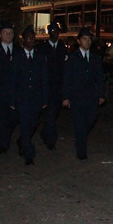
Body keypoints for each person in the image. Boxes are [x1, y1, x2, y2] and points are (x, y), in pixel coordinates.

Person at [62, 27, 105, 160]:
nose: (87, 42)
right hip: (76, 96)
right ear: (79, 41)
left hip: (91, 96)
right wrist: (66, 97)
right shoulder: (72, 57)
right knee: (79, 123)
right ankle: (81, 150)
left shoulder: (95, 58)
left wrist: (102, 94)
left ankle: (81, 137)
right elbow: (67, 78)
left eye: (89, 39)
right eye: (85, 39)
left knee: (91, 119)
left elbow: (100, 77)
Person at [8, 26, 48, 165]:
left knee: (33, 124)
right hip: (22, 97)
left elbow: (44, 79)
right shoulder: (17, 57)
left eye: (33, 38)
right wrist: (12, 99)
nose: (32, 41)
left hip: (36, 97)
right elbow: (13, 80)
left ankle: (22, 141)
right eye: (29, 38)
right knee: (25, 125)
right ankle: (28, 153)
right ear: (23, 40)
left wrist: (45, 98)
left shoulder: (40, 57)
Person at [36, 22, 67, 150]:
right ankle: (51, 139)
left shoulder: (62, 48)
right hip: (46, 86)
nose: (55, 33)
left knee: (54, 112)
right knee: (49, 113)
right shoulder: (42, 48)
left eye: (57, 31)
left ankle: (45, 133)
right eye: (52, 31)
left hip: (58, 86)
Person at [0, 22, 20, 154]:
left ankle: (5, 135)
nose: (8, 35)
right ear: (0, 35)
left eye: (10, 33)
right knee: (0, 118)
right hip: (0, 91)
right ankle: (3, 143)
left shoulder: (19, 51)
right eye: (5, 32)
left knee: (13, 118)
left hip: (15, 92)